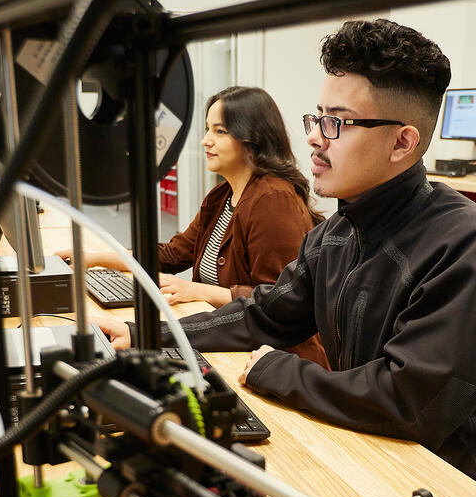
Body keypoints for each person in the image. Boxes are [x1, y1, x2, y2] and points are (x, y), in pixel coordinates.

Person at [97, 20, 476, 497]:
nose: (316, 138)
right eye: (318, 117)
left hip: (447, 490)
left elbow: (410, 402)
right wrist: (145, 336)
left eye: (337, 122)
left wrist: (280, 370)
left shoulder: (467, 246)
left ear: (402, 143)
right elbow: (265, 315)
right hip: (367, 450)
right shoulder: (336, 233)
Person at [59, 85, 327, 366]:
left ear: (252, 138)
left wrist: (198, 290)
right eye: (207, 129)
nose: (205, 141)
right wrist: (92, 258)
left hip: (273, 359)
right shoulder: (222, 196)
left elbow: (279, 302)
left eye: (219, 131)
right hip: (226, 344)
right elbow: (172, 255)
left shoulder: (273, 199)